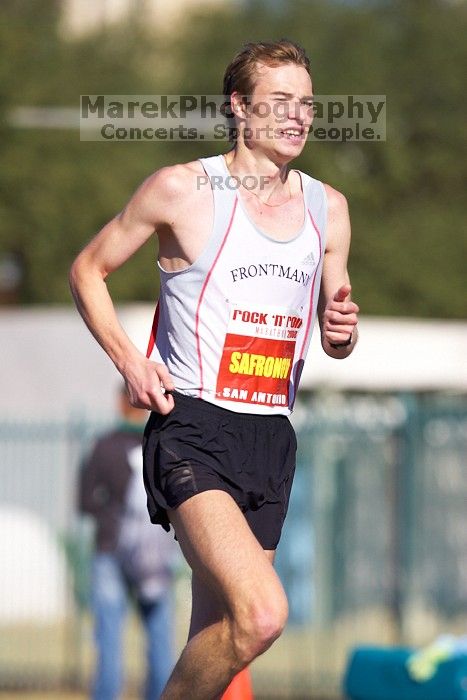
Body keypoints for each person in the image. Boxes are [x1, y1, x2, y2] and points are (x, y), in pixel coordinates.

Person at [70, 39, 359, 699]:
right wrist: (129, 359)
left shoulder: (329, 209)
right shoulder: (182, 188)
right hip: (194, 424)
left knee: (225, 634)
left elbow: (335, 332)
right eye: (279, 102)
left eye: (307, 104)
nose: (297, 117)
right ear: (238, 106)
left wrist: (342, 332)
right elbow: (88, 269)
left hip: (271, 437)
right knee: (262, 615)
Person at [78, 386, 178, 700]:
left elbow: (84, 501)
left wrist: (110, 511)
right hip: (155, 555)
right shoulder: (163, 446)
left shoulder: (104, 446)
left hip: (109, 548)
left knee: (108, 638)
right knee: (161, 640)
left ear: (122, 402)